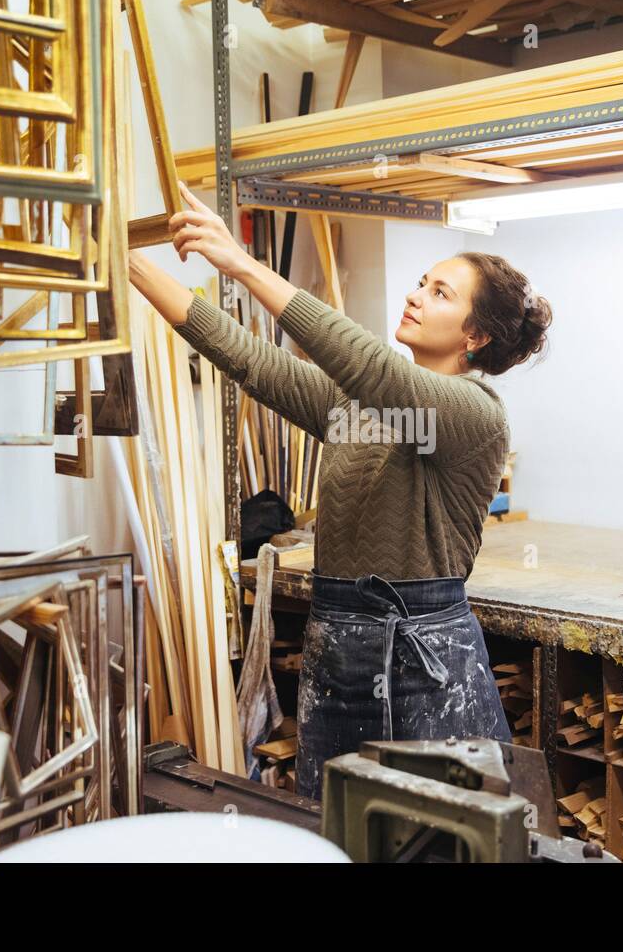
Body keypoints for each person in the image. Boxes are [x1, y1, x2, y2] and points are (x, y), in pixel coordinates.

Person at [129, 183, 552, 799]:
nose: (414, 295)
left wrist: (241, 264)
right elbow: (246, 356)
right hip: (339, 645)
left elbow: (369, 366)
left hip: (424, 662)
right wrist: (126, 262)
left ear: (476, 337)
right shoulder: (354, 407)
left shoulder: (474, 413)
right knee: (334, 824)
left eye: (440, 293)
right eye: (421, 281)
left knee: (437, 835)